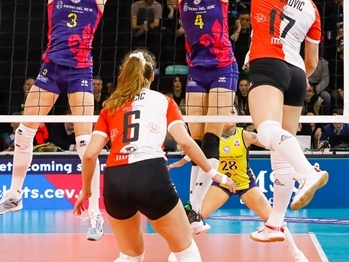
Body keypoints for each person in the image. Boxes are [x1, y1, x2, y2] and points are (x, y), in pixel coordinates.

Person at [0, 0, 162, 241]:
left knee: (86, 145)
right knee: (24, 132)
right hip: (51, 68)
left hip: (80, 71)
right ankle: (15, 195)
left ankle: (95, 214)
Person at [215, 0, 329, 242]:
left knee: (266, 132)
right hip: (296, 74)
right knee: (281, 148)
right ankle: (275, 222)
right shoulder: (312, 9)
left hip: (267, 64)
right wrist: (295, 75)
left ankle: (308, 172)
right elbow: (312, 62)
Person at [73, 50, 235, 262]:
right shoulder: (163, 101)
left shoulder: (110, 106)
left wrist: (86, 190)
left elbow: (89, 155)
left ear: (124, 75)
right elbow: (186, 142)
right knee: (186, 252)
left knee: (131, 256)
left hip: (116, 180)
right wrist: (215, 174)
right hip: (150, 173)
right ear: (151, 76)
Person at [174, 0, 238, 231]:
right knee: (195, 140)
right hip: (196, 69)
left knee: (212, 135)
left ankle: (196, 211)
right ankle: (193, 210)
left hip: (223, 66)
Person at [168, 109, 308, 262]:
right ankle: (178, 252)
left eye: (233, 112)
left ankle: (297, 253)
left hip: (246, 184)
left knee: (273, 219)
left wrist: (292, 154)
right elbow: (196, 151)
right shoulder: (213, 139)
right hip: (222, 184)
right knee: (196, 217)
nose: (230, 114)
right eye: (227, 111)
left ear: (238, 116)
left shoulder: (245, 135)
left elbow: (273, 144)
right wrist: (181, 162)